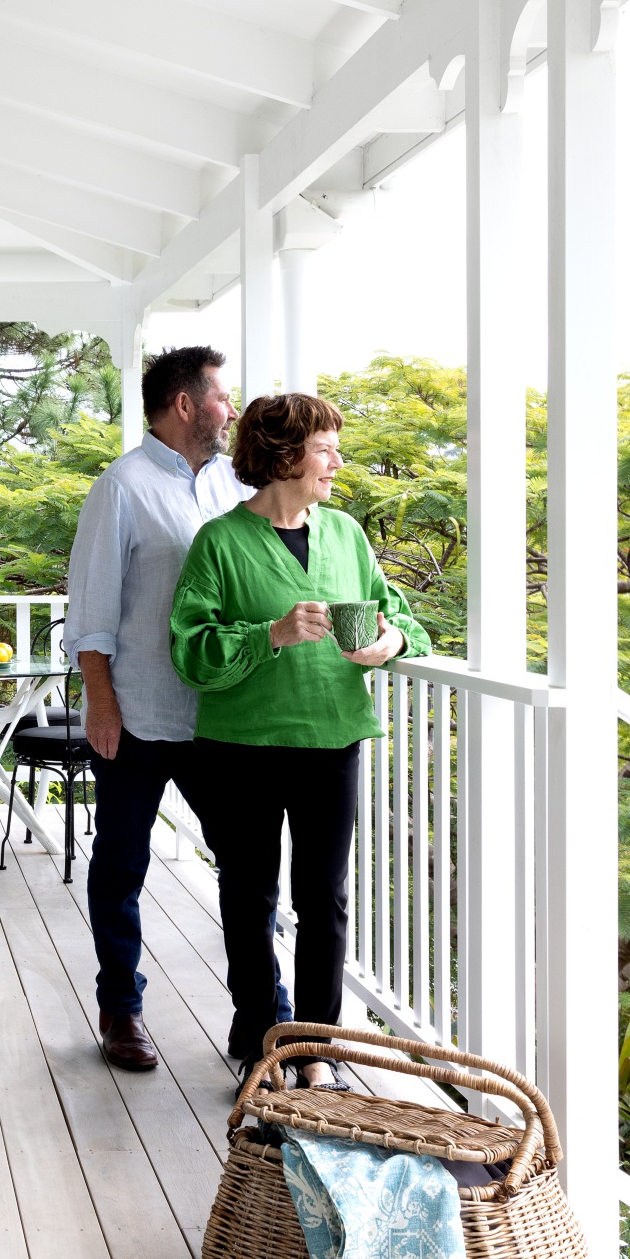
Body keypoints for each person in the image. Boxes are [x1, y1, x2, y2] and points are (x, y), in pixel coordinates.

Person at [170, 388, 428, 1082]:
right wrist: (271, 634)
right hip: (241, 748)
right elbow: (191, 651)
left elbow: (404, 618)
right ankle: (262, 1042)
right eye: (325, 448)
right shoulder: (219, 543)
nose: (337, 461)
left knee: (324, 900)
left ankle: (316, 1049)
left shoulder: (346, 534)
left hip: (331, 740)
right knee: (249, 897)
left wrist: (389, 640)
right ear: (285, 455)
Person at [64, 343, 250, 1071]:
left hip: (220, 718)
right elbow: (93, 607)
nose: (230, 409)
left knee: (246, 864)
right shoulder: (124, 485)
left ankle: (260, 1014)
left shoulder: (235, 487)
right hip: (138, 713)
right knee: (120, 865)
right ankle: (122, 1009)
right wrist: (100, 699)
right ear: (185, 403)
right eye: (221, 397)